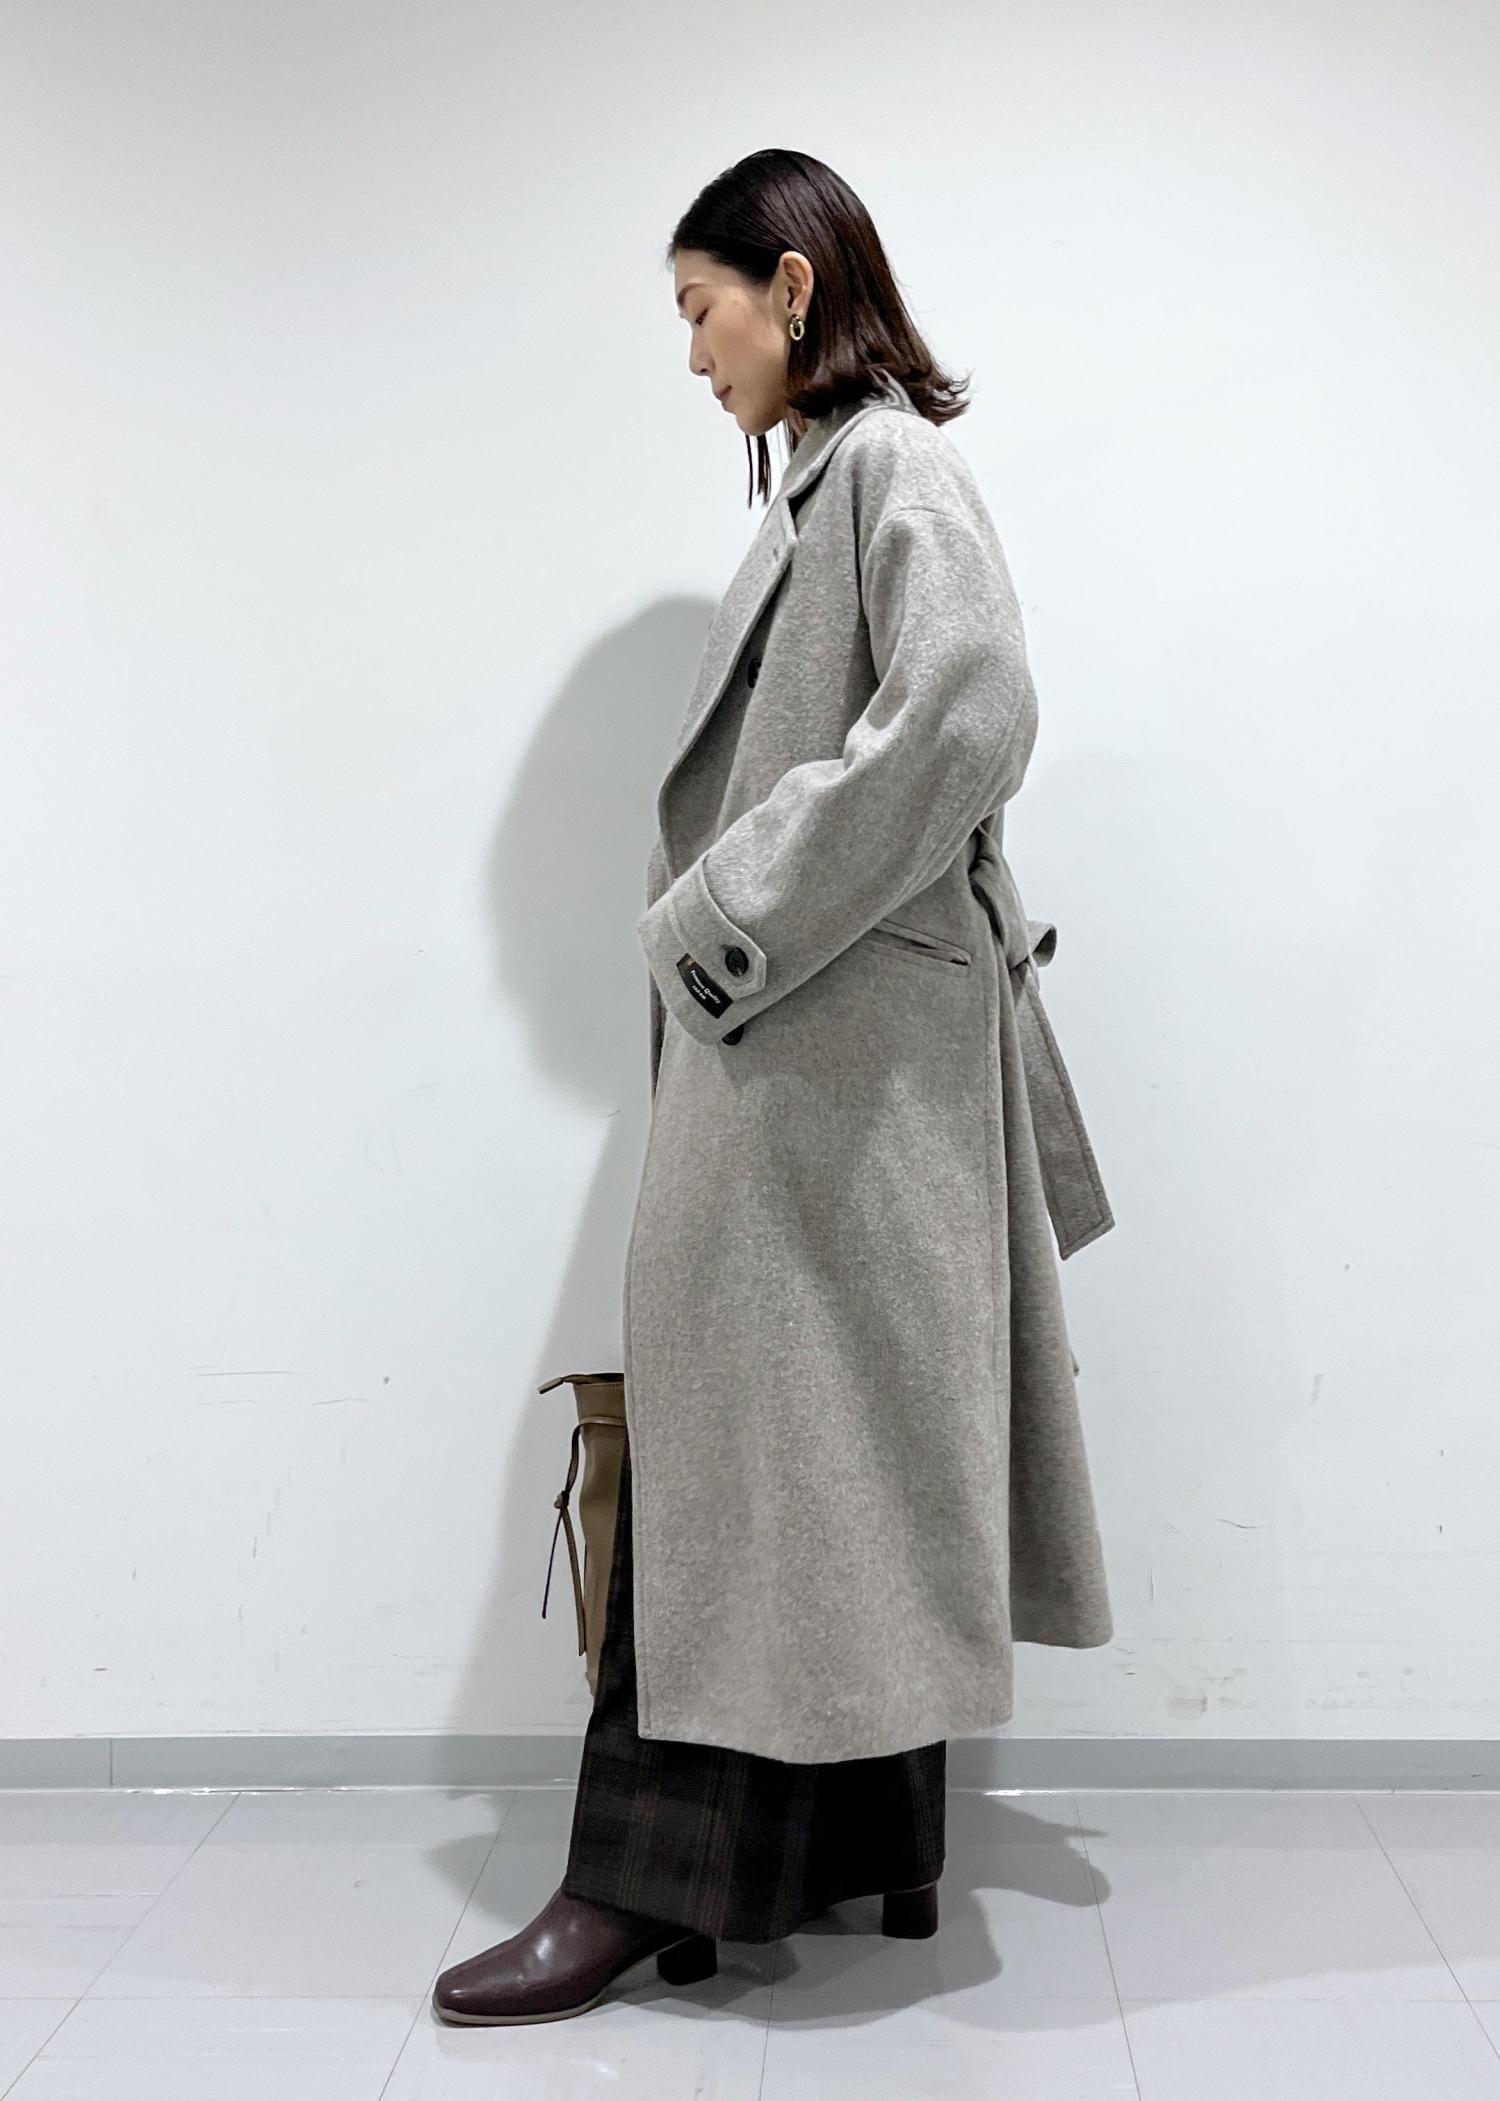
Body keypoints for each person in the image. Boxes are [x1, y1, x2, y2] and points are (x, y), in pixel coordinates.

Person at [433, 146, 1114, 2027]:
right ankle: (874, 1846)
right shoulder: (837, 481)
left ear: (792, 288)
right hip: (834, 1075)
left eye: (700, 307)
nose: (691, 352)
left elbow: (973, 707)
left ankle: (632, 1881)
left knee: (742, 1468)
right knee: (821, 1470)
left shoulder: (891, 466)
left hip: (832, 1066)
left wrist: (727, 912)